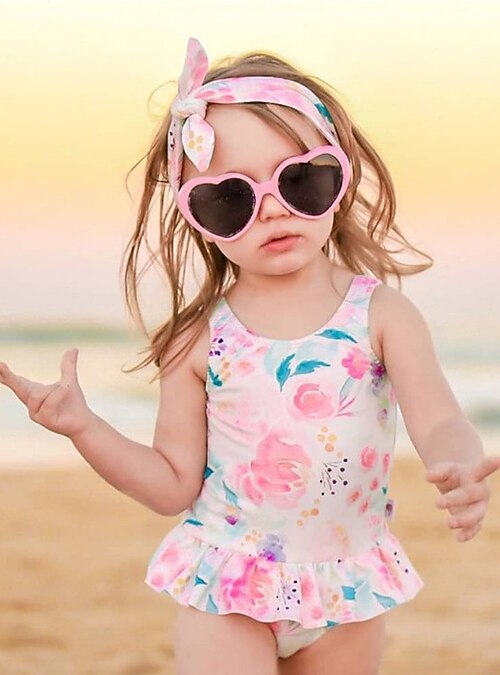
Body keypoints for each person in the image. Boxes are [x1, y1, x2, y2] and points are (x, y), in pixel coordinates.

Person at [1, 37, 499, 675]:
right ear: (197, 217)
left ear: (341, 176)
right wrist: (84, 428)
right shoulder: (198, 339)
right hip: (229, 587)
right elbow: (171, 483)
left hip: (346, 588)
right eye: (231, 198)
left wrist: (458, 464)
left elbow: (439, 420)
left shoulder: (381, 315)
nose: (271, 209)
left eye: (301, 181)